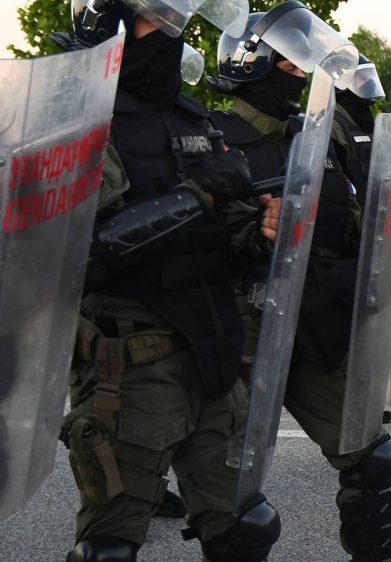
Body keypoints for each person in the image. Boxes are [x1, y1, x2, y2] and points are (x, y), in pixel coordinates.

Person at [58, 4, 280, 561]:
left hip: (211, 348)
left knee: (245, 529)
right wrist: (200, 194)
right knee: (110, 548)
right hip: (130, 365)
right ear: (105, 19)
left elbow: (218, 236)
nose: (171, 31)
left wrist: (257, 231)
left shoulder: (188, 115)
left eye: (177, 19)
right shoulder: (80, 117)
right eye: (156, 17)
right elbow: (85, 253)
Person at [207, 15, 391, 560]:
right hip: (244, 331)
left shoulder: (318, 135)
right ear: (254, 66)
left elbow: (350, 216)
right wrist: (249, 230)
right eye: (294, 63)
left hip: (316, 317)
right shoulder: (215, 140)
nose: (304, 74)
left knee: (373, 457)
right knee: (233, 502)